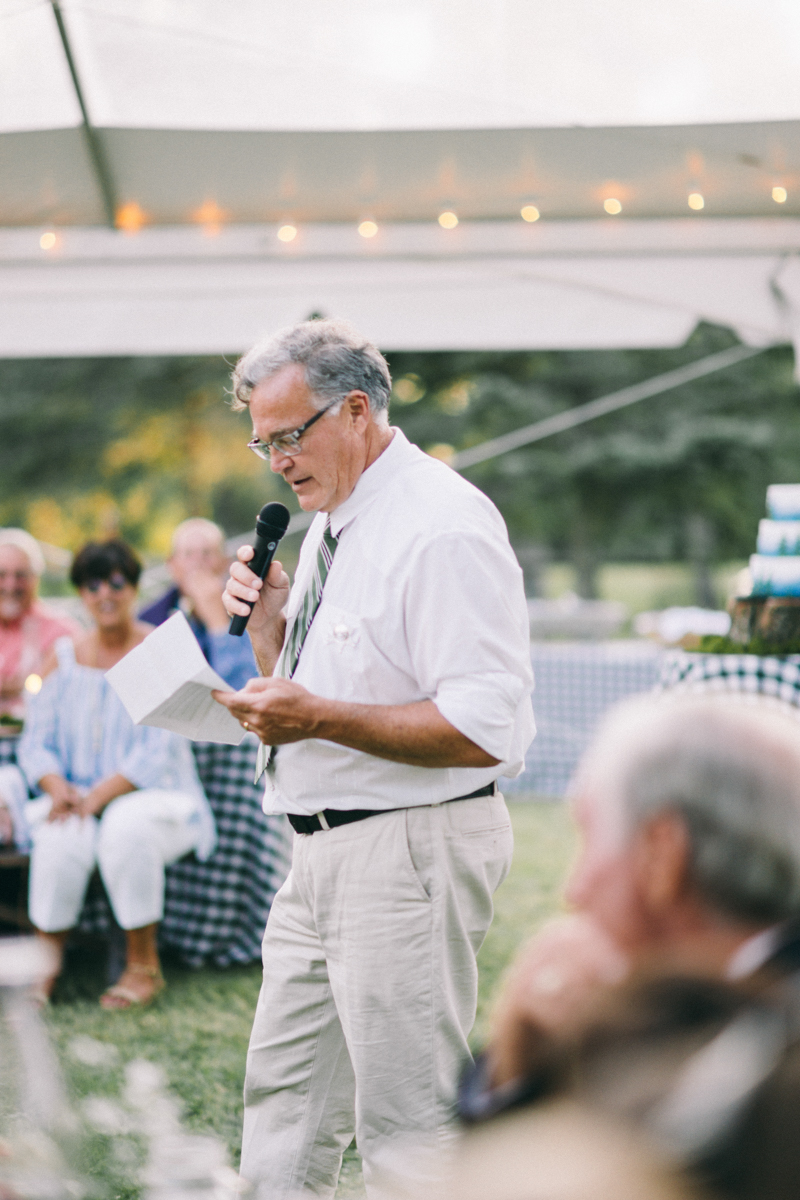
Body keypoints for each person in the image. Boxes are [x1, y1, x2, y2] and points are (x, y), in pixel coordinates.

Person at [214, 319, 535, 1199]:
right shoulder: (330, 522)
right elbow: (321, 691)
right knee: (284, 1106)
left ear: (355, 409)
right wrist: (273, 632)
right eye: (261, 441)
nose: (276, 459)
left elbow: (482, 731)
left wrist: (314, 714)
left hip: (407, 851)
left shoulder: (442, 524)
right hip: (315, 853)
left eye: (289, 435)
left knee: (408, 1124)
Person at [459, 692, 800, 1200]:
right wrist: (517, 1053)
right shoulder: (685, 999)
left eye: (589, 836)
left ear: (663, 855)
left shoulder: (747, 1065)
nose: (574, 890)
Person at [15, 538, 215, 1007]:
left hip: (158, 797)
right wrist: (57, 787)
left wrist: (97, 798)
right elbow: (35, 740)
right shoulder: (60, 660)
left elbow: (161, 749)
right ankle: (45, 971)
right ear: (81, 594)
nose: (105, 593)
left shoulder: (161, 650)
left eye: (117, 582)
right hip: (78, 796)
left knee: (126, 827)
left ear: (133, 587)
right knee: (60, 835)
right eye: (92, 584)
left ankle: (143, 965)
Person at [0, 527, 77, 847]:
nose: (10, 585)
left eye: (21, 575)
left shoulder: (61, 631)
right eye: (2, 574)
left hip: (36, 754)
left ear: (37, 578)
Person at [139, 517, 258, 690]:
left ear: (224, 563)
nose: (198, 562)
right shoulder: (149, 620)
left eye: (207, 553)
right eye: (188, 554)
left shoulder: (250, 612)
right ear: (172, 565)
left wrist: (219, 624)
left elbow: (245, 687)